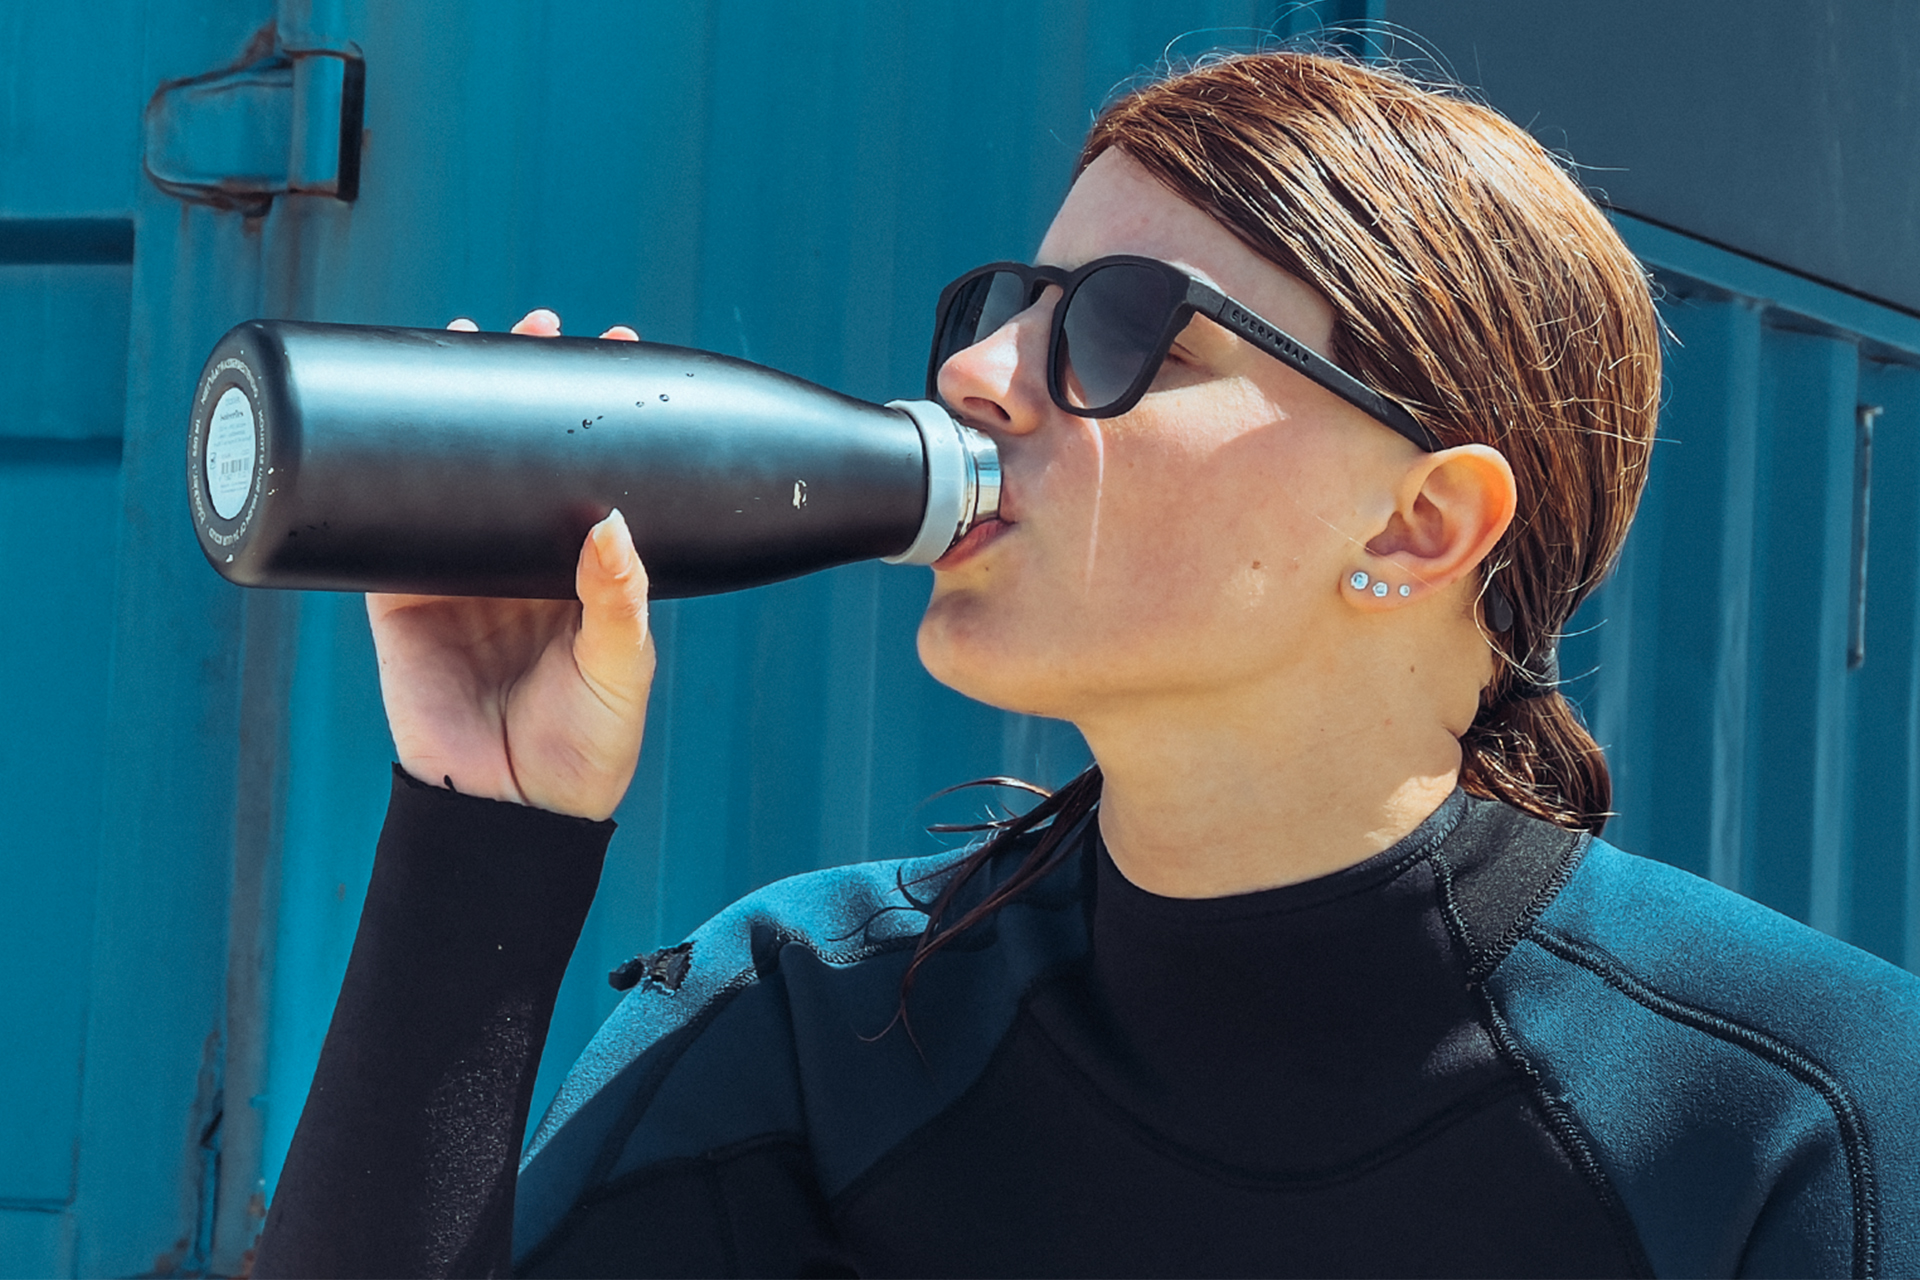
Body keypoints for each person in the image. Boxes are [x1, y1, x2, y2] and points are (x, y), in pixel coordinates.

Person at [253, 49, 1920, 1278]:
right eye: (1002, 304)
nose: (979, 371)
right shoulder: (813, 1024)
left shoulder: (1799, 1116)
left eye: (1122, 330)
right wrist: (483, 827)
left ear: (1420, 527)